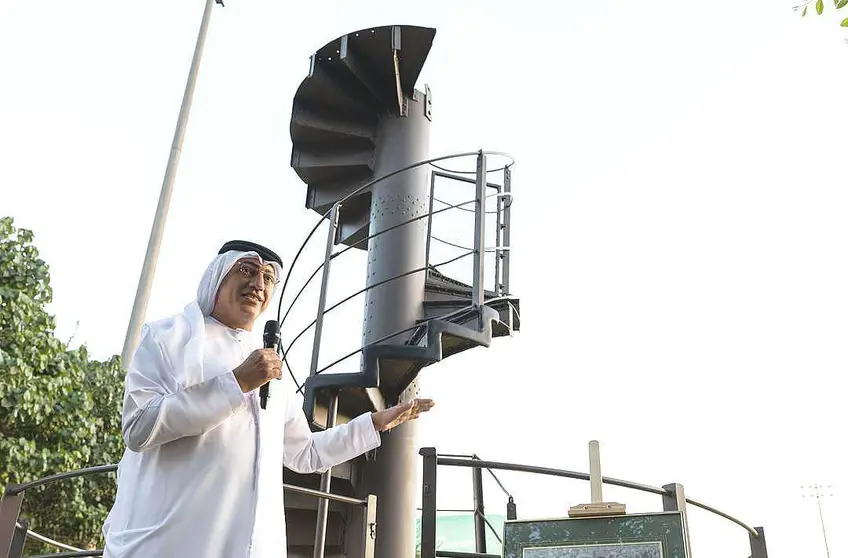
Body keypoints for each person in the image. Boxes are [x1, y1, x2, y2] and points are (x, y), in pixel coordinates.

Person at [101, 240, 434, 558]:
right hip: (171, 542)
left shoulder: (271, 363)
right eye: (246, 270)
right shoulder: (167, 337)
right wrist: (236, 382)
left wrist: (373, 424)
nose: (259, 283)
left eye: (269, 277)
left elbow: (305, 453)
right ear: (217, 277)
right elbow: (139, 427)